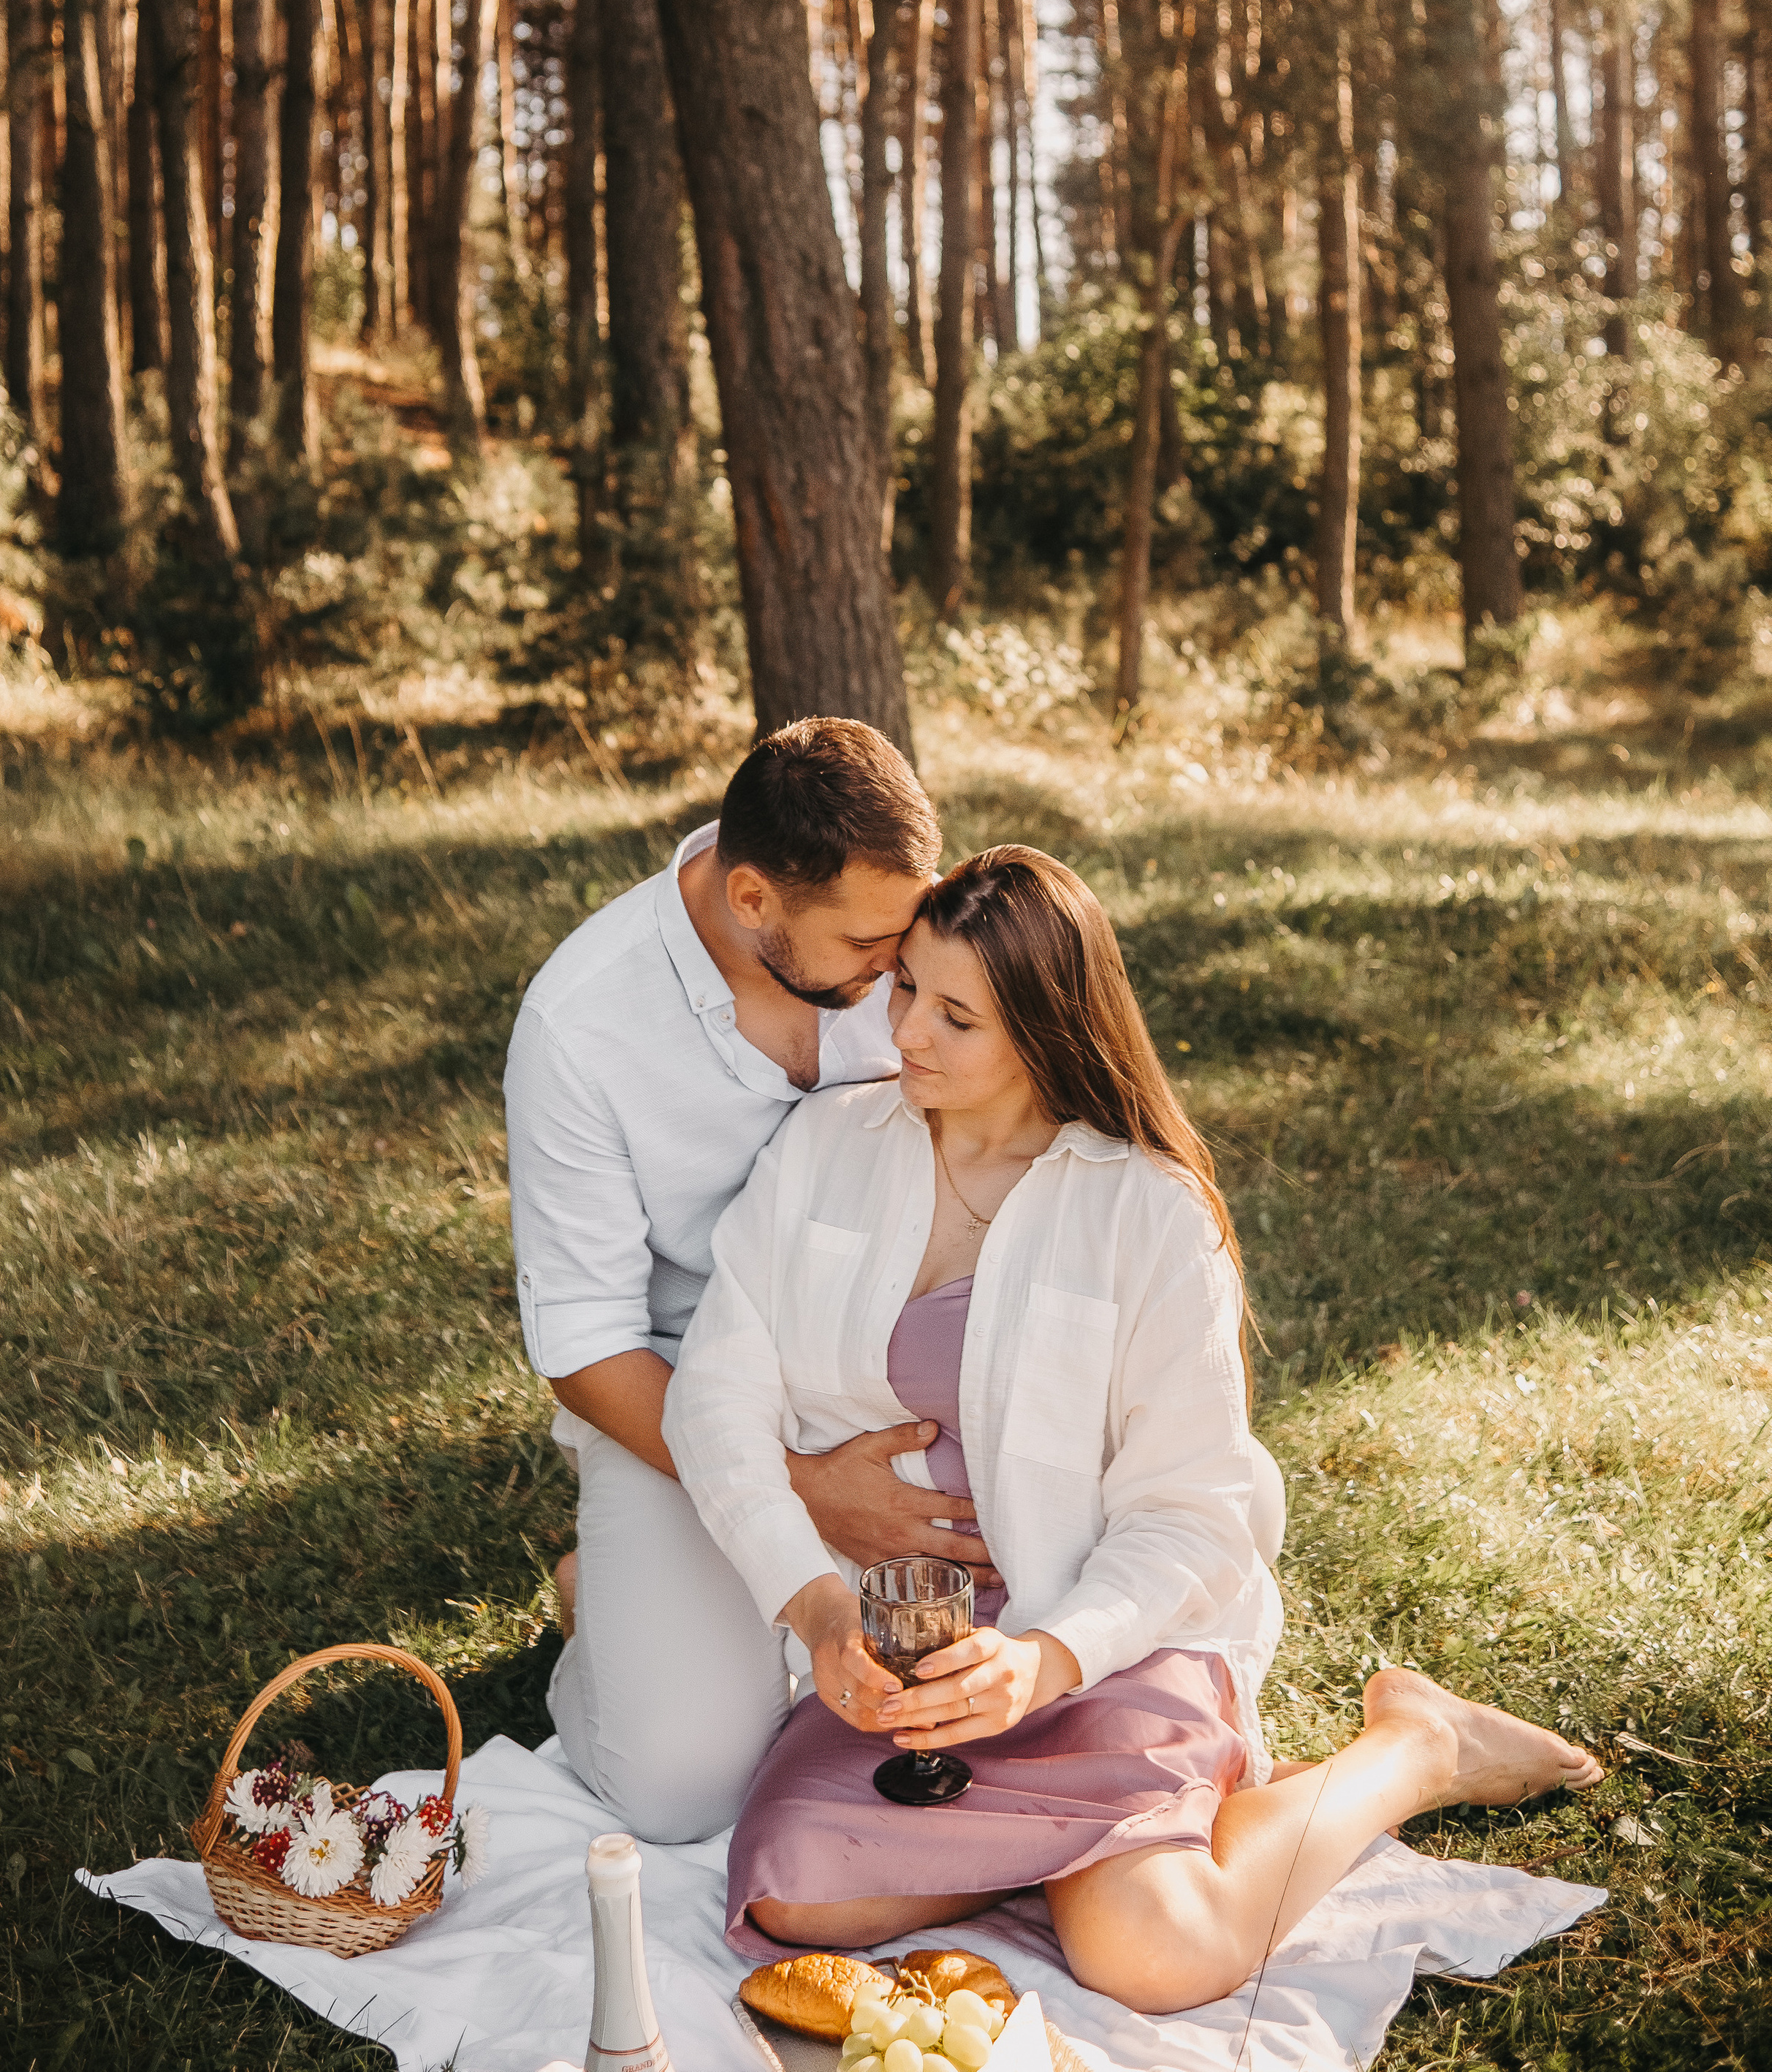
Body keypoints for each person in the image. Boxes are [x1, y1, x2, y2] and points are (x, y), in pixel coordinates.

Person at [663, 846, 1603, 2011]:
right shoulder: (823, 1151)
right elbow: (713, 1396)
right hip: (908, 1653)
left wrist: (1047, 1659)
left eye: (957, 1016)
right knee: (800, 1904)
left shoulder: (1148, 1210)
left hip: (1105, 1636)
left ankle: (1415, 1748)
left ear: (1046, 1032)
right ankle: (1064, 1853)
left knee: (1152, 1958)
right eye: (906, 987)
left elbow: (1193, 1511)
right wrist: (814, 1602)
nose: (905, 1033)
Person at [506, 716, 997, 1845]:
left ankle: (702, 1607)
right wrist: (798, 1490)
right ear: (752, 900)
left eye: (905, 940)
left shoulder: (899, 949)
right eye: (869, 949)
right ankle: (608, 1611)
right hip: (679, 1392)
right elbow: (584, 1347)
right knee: (681, 1790)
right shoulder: (580, 1027)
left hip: (896, 1353)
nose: (899, 978)